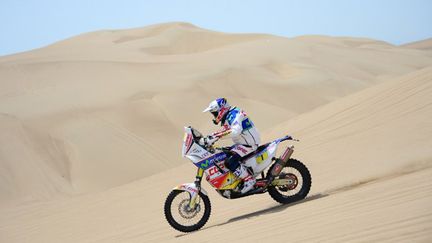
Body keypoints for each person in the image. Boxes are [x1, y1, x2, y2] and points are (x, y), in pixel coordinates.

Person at [201, 98, 261, 193]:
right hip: (243, 143)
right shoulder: (229, 116)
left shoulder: (234, 115)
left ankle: (249, 180)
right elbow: (225, 130)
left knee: (230, 162)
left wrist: (216, 136)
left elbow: (235, 131)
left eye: (215, 113)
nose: (214, 116)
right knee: (223, 154)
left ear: (221, 110)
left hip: (249, 144)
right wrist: (211, 137)